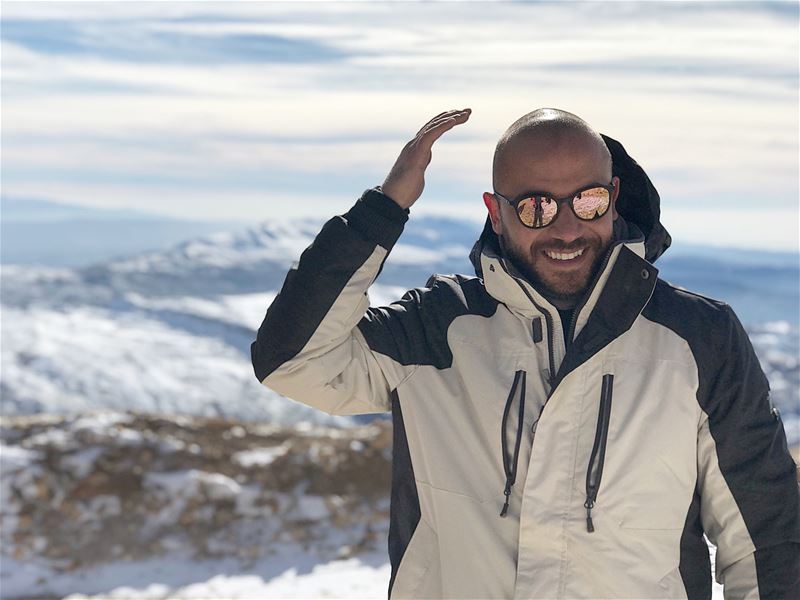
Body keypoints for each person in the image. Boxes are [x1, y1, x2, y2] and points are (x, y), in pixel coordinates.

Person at [250, 108, 799, 599]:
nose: (566, 227)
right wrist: (382, 211)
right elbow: (293, 362)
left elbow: (765, 537)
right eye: (537, 207)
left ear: (612, 195)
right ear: (496, 211)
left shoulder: (700, 338)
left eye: (587, 200)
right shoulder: (437, 328)